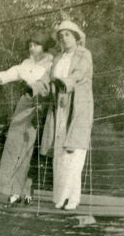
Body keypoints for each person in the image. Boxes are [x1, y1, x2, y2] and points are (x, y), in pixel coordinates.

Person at [0, 31, 55, 205]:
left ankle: (27, 190)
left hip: (43, 108)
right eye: (30, 44)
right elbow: (7, 75)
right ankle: (13, 190)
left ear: (44, 47)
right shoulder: (26, 64)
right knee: (14, 145)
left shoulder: (52, 64)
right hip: (25, 104)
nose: (31, 47)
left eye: (36, 44)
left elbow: (49, 84)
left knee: (33, 149)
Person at [39, 20, 94, 210]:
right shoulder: (57, 58)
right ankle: (60, 197)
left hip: (78, 106)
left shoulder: (83, 54)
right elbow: (48, 78)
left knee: (74, 151)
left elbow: (79, 74)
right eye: (61, 36)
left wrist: (66, 81)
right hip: (59, 107)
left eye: (68, 34)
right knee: (60, 153)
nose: (64, 38)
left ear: (76, 36)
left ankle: (73, 198)